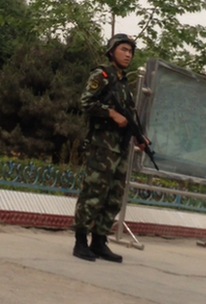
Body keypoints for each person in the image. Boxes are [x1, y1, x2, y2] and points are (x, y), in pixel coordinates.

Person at [72, 33, 145, 263]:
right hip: (101, 146)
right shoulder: (102, 75)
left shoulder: (124, 82)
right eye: (123, 49)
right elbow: (85, 102)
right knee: (93, 192)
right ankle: (81, 241)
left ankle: (100, 241)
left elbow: (130, 115)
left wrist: (140, 137)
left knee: (114, 196)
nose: (128, 54)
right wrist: (111, 113)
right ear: (112, 51)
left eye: (130, 51)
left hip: (119, 148)